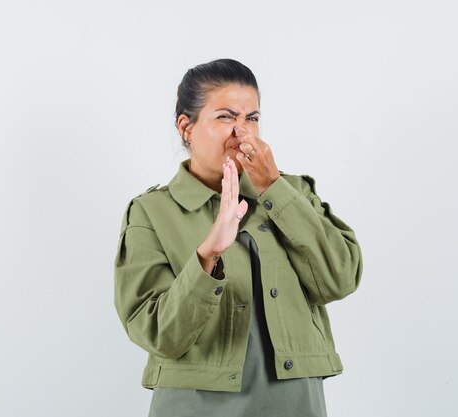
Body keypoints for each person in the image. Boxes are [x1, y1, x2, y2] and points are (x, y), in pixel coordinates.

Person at [113, 58, 363, 417]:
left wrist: (272, 188)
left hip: (294, 403)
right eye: (226, 117)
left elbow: (340, 278)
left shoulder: (293, 194)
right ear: (187, 127)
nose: (243, 133)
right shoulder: (152, 212)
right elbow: (156, 333)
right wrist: (206, 257)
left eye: (253, 118)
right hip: (195, 405)